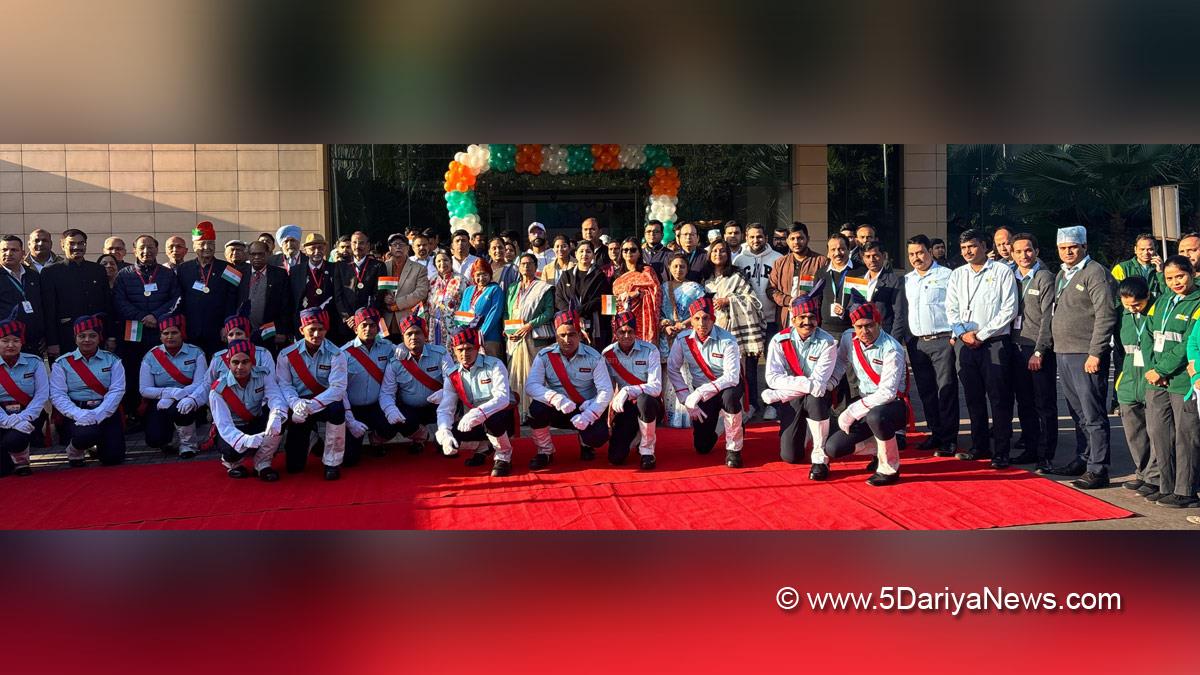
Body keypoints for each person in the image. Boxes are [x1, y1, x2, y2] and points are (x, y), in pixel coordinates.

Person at [1044, 226, 1118, 487]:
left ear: (1084, 247)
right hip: (1064, 352)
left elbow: (1105, 314)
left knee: (1093, 413)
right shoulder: (1062, 274)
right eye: (1063, 248)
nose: (1068, 252)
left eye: (1072, 247)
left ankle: (1099, 468)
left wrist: (1096, 352)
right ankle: (1083, 457)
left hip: (1086, 355)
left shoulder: (1095, 273)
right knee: (1077, 412)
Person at [946, 228, 1019, 467]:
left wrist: (982, 334)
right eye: (964, 247)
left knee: (999, 398)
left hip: (994, 343)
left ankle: (1001, 451)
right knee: (973, 397)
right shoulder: (957, 274)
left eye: (973, 246)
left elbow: (1009, 309)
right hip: (965, 344)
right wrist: (962, 334)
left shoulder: (1001, 271)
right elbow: (951, 309)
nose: (968, 251)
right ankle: (979, 446)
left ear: (985, 246)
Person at [823, 302, 908, 486]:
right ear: (853, 327)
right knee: (834, 448)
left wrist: (851, 411)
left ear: (879, 323)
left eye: (869, 325)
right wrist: (830, 383)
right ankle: (880, 448)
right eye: (859, 327)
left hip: (892, 406)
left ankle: (889, 468)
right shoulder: (848, 338)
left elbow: (887, 393)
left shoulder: (892, 349)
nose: (864, 331)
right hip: (865, 401)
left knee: (877, 417)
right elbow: (840, 363)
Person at [1140, 256, 1200, 504]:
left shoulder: (1197, 302)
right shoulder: (1162, 300)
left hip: (1181, 381)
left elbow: (1190, 342)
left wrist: (1163, 370)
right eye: (1169, 278)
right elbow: (1149, 335)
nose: (1175, 282)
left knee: (1186, 436)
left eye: (1180, 276)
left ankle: (1186, 490)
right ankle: (1166, 484)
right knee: (1159, 433)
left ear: (1192, 274)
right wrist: (1154, 369)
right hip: (1157, 378)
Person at [893, 234, 958, 456]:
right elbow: (903, 313)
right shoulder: (908, 280)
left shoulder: (947, 276)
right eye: (911, 254)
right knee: (927, 392)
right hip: (917, 344)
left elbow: (956, 306)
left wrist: (955, 335)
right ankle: (936, 433)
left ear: (930, 251)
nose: (916, 258)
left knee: (946, 390)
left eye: (920, 252)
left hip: (942, 340)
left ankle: (949, 439)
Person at [761, 294, 838, 474]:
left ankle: (820, 456)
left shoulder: (828, 342)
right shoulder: (779, 341)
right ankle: (810, 430)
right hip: (792, 399)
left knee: (816, 397)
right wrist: (804, 384)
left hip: (814, 397)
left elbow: (819, 383)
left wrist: (779, 394)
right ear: (793, 319)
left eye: (811, 317)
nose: (807, 322)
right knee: (790, 456)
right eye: (802, 317)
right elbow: (772, 378)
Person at [526, 310, 613, 468]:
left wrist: (589, 414)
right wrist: (555, 398)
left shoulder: (594, 357)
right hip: (558, 408)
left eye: (572, 334)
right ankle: (545, 452)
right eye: (562, 335)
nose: (567, 340)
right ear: (556, 336)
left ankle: (586, 445)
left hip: (583, 409)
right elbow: (531, 385)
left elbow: (606, 391)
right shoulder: (544, 356)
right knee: (535, 410)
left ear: (579, 334)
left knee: (598, 438)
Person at [667, 297, 745, 468]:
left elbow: (732, 376)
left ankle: (734, 449)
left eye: (706, 318)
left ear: (714, 319)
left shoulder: (728, 340)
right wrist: (686, 398)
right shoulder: (682, 339)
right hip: (700, 393)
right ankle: (725, 427)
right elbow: (673, 368)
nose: (702, 323)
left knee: (730, 398)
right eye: (697, 318)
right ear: (691, 321)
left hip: (726, 388)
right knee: (702, 447)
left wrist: (699, 394)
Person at [113, 235, 182, 418]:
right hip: (134, 333)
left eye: (150, 247)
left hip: (160, 331)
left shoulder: (167, 274)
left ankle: (160, 412)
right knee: (134, 371)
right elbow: (119, 302)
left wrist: (157, 316)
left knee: (162, 370)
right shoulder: (124, 275)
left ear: (157, 249)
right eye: (142, 247)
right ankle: (134, 414)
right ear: (134, 250)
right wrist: (142, 316)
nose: (146, 251)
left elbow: (175, 299)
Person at [276, 307, 349, 481]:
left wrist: (310, 406)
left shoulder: (336, 354)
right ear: (302, 330)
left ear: (326, 329)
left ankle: (332, 462)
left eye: (321, 329)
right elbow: (284, 385)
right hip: (298, 405)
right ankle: (313, 440)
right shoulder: (286, 355)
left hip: (323, 402)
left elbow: (337, 389)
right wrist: (296, 404)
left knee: (338, 410)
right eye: (311, 330)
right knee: (294, 467)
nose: (316, 334)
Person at [436, 327, 516, 477]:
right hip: (473, 421)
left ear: (477, 348)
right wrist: (444, 432)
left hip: (500, 417)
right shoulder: (452, 375)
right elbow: (445, 408)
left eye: (469, 349)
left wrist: (478, 413)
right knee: (449, 439)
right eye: (460, 350)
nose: (465, 354)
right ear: (454, 350)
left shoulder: (494, 365)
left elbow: (503, 398)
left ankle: (504, 456)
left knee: (493, 420)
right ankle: (483, 447)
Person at [1008, 233, 1058, 470]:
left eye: (1028, 250)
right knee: (1024, 402)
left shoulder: (1044, 277)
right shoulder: (1010, 276)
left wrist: (1040, 351)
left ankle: (1045, 454)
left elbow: (1049, 317)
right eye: (1018, 251)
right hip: (1015, 346)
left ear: (1036, 251)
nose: (1023, 255)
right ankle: (1029, 447)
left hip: (1037, 349)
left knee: (1044, 403)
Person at [49, 315, 126, 467]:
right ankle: (74, 450)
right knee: (86, 434)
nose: (87, 340)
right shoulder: (62, 363)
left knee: (113, 459)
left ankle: (98, 444)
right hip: (76, 412)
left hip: (106, 411)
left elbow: (117, 390)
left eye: (92, 335)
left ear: (99, 337)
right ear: (75, 338)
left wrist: (99, 414)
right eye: (82, 336)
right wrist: (80, 414)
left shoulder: (113, 360)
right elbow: (58, 395)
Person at [210, 340, 286, 482]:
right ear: (229, 363)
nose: (240, 367)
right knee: (231, 449)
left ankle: (263, 464)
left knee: (281, 419)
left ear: (253, 362)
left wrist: (275, 416)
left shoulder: (264, 375)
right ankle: (232, 464)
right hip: (233, 427)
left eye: (245, 362)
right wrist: (245, 440)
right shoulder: (218, 389)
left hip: (254, 421)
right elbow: (223, 425)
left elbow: (276, 397)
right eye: (235, 362)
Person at [704, 241, 764, 415]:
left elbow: (752, 300)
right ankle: (720, 406)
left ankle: (748, 406)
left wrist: (729, 300)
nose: (718, 254)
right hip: (712, 330)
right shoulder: (706, 278)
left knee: (743, 370)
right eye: (714, 250)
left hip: (735, 330)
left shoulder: (737, 275)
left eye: (722, 251)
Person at [138, 313, 206, 458]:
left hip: (189, 399)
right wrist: (169, 393)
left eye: (174, 332)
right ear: (160, 336)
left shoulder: (196, 353)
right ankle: (168, 439)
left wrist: (179, 395)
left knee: (181, 408)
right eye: (165, 333)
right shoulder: (150, 356)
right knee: (154, 439)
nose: (170, 337)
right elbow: (144, 389)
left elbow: (201, 383)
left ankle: (188, 445)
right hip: (160, 402)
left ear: (182, 333)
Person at [381, 315, 452, 454]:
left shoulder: (440, 354)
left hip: (438, 407)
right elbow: (386, 392)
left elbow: (453, 382)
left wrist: (445, 392)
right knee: (393, 422)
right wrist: (390, 409)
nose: (413, 337)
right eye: (409, 334)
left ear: (425, 334)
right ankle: (420, 437)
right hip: (410, 410)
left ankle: (445, 434)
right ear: (403, 338)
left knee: (449, 449)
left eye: (417, 332)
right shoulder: (396, 361)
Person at [1113, 277, 1157, 498]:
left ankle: (1154, 477)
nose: (1132, 307)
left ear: (1147, 297)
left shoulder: (1157, 313)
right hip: (1130, 378)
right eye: (1127, 303)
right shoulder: (1122, 314)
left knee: (1155, 431)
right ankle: (1142, 472)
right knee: (1134, 431)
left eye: (1137, 304)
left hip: (1152, 378)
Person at [602, 312, 662, 469]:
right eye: (622, 332)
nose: (626, 336)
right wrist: (609, 414)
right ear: (616, 333)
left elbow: (656, 387)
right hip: (626, 406)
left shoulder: (650, 350)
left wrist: (628, 390)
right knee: (616, 458)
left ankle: (647, 451)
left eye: (630, 332)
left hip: (650, 403)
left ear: (636, 332)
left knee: (644, 400)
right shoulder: (608, 354)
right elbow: (606, 388)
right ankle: (636, 435)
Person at [41, 229, 113, 359]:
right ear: (63, 245)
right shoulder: (50, 272)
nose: (77, 247)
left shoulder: (97, 270)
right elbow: (49, 310)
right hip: (66, 337)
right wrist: (52, 342)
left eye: (81, 243)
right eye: (72, 244)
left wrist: (110, 336)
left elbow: (107, 304)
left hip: (96, 335)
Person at [340, 307, 397, 465]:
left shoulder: (388, 347)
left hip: (377, 405)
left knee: (394, 423)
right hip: (353, 409)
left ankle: (376, 439)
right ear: (356, 327)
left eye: (372, 325)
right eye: (363, 325)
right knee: (350, 460)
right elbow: (339, 389)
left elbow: (404, 354)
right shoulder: (344, 353)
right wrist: (350, 418)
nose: (368, 329)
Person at [176, 222, 239, 356]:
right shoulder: (183, 269)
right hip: (191, 330)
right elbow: (179, 299)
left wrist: (227, 325)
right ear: (194, 247)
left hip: (219, 330)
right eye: (202, 244)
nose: (207, 247)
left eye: (211, 243)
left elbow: (232, 299)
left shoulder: (229, 268)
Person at [505, 253, 555, 418]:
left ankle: (534, 412)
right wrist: (507, 330)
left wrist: (529, 324)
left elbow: (549, 311)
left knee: (533, 375)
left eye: (529, 263)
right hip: (514, 338)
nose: (526, 267)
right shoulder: (513, 288)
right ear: (519, 267)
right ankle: (517, 412)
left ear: (535, 266)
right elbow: (507, 311)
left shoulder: (544, 287)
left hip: (533, 337)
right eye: (523, 264)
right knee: (515, 375)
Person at [659, 254, 706, 428]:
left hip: (688, 334)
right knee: (670, 374)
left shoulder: (695, 288)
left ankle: (689, 415)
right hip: (668, 335)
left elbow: (700, 310)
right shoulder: (663, 288)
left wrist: (683, 325)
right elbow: (658, 313)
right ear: (670, 268)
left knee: (688, 374)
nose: (679, 270)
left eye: (682, 267)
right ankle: (672, 416)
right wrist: (665, 325)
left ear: (688, 268)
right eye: (675, 266)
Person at [0, 314, 49, 477]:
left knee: (16, 438)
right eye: (5, 340)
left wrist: (24, 417)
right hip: (1, 416)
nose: (10, 345)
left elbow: (42, 394)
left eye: (15, 340)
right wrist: (7, 421)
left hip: (28, 414)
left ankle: (21, 460)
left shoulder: (35, 362)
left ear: (22, 342)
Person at [767, 221, 828, 328]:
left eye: (800, 238)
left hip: (810, 318)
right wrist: (789, 300)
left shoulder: (821, 261)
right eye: (792, 239)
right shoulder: (780, 263)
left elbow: (826, 292)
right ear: (787, 241)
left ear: (807, 239)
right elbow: (771, 290)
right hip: (786, 318)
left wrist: (808, 303)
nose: (796, 242)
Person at [555, 240, 612, 348]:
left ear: (593, 255)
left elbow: (607, 303)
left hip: (596, 328)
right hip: (568, 324)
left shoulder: (601, 276)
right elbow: (559, 299)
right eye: (581, 251)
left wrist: (578, 313)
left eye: (588, 251)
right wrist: (573, 316)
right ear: (575, 254)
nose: (584, 254)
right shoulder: (566, 275)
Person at [238, 240, 292, 354]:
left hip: (270, 332)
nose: (257, 257)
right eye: (253, 254)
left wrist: (282, 330)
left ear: (268, 254)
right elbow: (232, 301)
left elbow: (286, 305)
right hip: (244, 332)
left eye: (261, 254)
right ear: (248, 255)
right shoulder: (240, 273)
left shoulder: (280, 275)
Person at [0, 235, 49, 354]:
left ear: (23, 252)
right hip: (6, 343)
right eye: (4, 250)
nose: (9, 253)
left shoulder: (34, 276)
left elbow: (43, 306)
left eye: (14, 250)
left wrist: (46, 336)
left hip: (34, 343)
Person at [612, 237, 662, 345]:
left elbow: (656, 293)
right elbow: (609, 303)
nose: (629, 252)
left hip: (642, 319)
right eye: (625, 250)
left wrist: (636, 293)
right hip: (620, 319)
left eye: (633, 250)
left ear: (639, 253)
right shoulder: (616, 274)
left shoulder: (647, 271)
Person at [818, 233, 868, 340]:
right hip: (826, 331)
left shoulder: (860, 271)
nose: (837, 253)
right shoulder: (822, 273)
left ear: (849, 249)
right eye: (833, 249)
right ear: (828, 252)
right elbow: (817, 301)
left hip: (853, 330)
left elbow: (862, 302)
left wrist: (846, 313)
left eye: (841, 249)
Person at [378, 233, 429, 337]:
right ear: (390, 248)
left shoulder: (419, 269)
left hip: (408, 320)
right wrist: (383, 298)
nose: (398, 247)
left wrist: (397, 303)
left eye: (401, 244)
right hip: (385, 320)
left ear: (407, 248)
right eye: (394, 244)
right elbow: (377, 289)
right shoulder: (382, 266)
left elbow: (421, 292)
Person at [287, 233, 336, 336]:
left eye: (320, 248)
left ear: (325, 248)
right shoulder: (295, 271)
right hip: (304, 324)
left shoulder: (335, 269)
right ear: (305, 250)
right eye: (313, 248)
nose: (317, 252)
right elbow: (291, 299)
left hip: (329, 325)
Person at [456, 259, 504, 356]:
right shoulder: (468, 290)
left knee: (491, 366)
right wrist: (462, 331)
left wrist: (481, 334)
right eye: (478, 275)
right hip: (469, 338)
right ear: (473, 275)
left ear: (490, 275)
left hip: (489, 337)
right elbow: (461, 312)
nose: (481, 278)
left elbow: (495, 314)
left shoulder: (495, 289)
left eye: (485, 274)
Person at [423, 250, 466, 348]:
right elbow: (426, 303)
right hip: (434, 325)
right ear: (435, 264)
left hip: (453, 325)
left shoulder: (461, 280)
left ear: (451, 262)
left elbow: (467, 304)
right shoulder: (432, 280)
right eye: (439, 261)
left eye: (445, 260)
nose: (442, 263)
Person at [860, 240, 903, 335]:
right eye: (868, 256)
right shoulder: (859, 281)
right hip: (862, 335)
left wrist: (894, 341)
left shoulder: (894, 281)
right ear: (863, 258)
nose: (872, 259)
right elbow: (852, 307)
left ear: (884, 256)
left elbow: (899, 315)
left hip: (884, 335)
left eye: (875, 255)